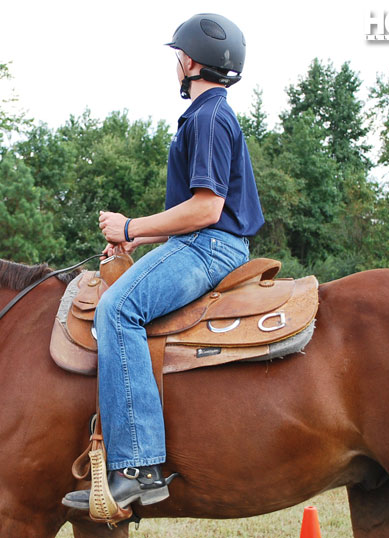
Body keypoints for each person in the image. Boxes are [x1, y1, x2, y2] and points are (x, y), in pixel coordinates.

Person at [63, 13, 264, 511]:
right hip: (201, 244)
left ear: (191, 61)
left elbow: (207, 209)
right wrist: (138, 239)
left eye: (179, 56)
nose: (176, 64)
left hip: (211, 246)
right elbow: (190, 215)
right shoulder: (207, 115)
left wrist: (130, 227)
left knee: (117, 310)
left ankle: (139, 468)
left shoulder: (209, 117)